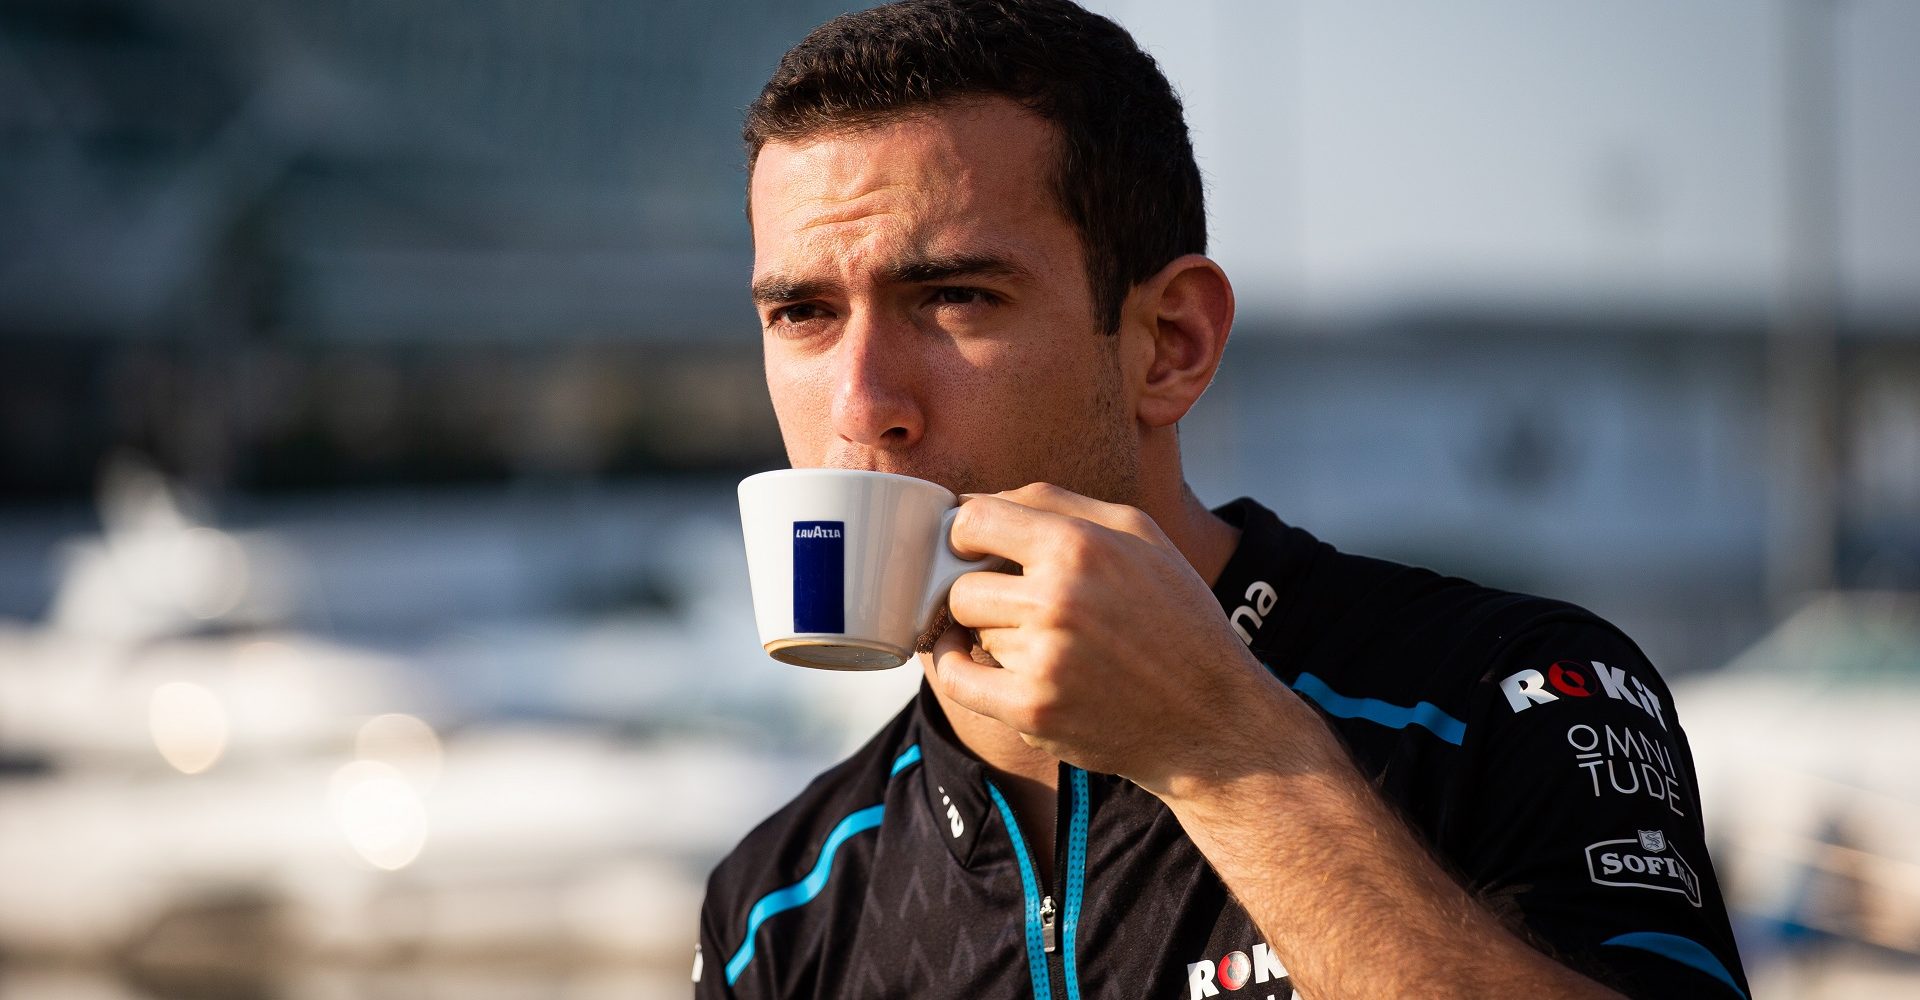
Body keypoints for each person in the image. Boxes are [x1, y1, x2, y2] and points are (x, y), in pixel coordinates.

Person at [695, 1, 1751, 997]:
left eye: (955, 298)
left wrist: (1228, 757)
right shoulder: (777, 900)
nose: (863, 403)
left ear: (1170, 344)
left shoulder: (1516, 700)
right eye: (803, 312)